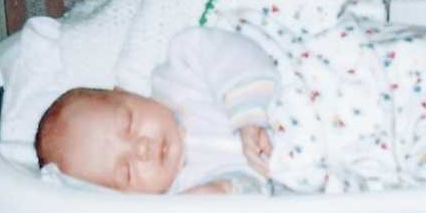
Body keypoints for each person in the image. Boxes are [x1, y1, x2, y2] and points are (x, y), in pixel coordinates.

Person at [35, 27, 279, 195]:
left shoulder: (179, 75)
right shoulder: (185, 190)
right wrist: (220, 192)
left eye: (129, 124)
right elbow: (255, 193)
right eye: (126, 172)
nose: (142, 148)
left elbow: (229, 52)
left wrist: (248, 116)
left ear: (125, 92)